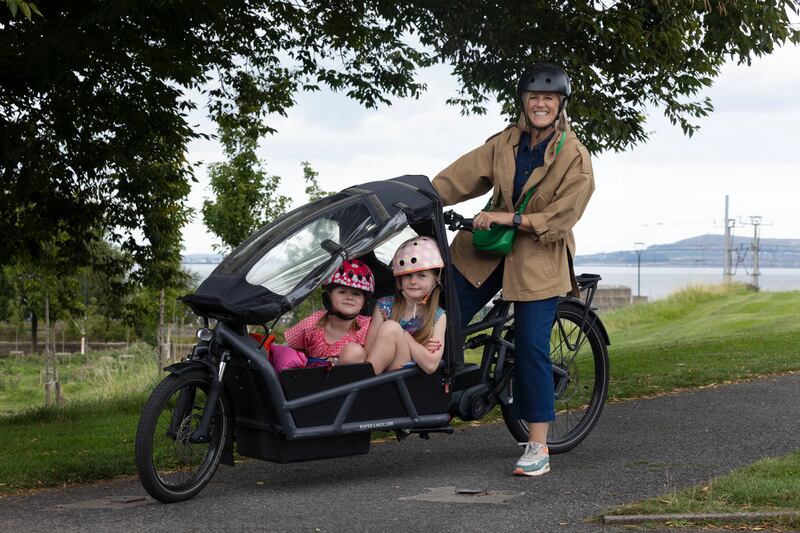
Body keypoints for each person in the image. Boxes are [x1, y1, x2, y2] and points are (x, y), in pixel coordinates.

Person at [431, 62, 595, 477]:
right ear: (523, 102)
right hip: (487, 250)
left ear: (560, 105)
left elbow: (562, 216)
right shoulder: (505, 143)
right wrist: (421, 197)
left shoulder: (575, 156)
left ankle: (537, 444)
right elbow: (459, 177)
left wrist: (511, 219)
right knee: (441, 315)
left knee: (530, 346)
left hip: (539, 257)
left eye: (549, 98)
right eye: (534, 97)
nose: (540, 104)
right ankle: (436, 397)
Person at [362, 236, 447, 374]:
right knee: (354, 350)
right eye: (408, 275)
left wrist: (403, 334)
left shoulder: (438, 315)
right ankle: (360, 383)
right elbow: (369, 350)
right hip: (381, 367)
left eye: (421, 276)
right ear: (400, 278)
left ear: (435, 279)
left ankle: (359, 386)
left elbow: (431, 365)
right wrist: (419, 347)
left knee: (391, 327)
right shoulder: (384, 306)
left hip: (408, 378)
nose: (413, 281)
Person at [284, 259, 375, 367]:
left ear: (364, 302)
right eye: (342, 292)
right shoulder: (312, 324)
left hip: (352, 382)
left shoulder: (367, 328)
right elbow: (286, 350)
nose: (349, 297)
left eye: (356, 294)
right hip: (315, 381)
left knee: (355, 351)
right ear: (328, 297)